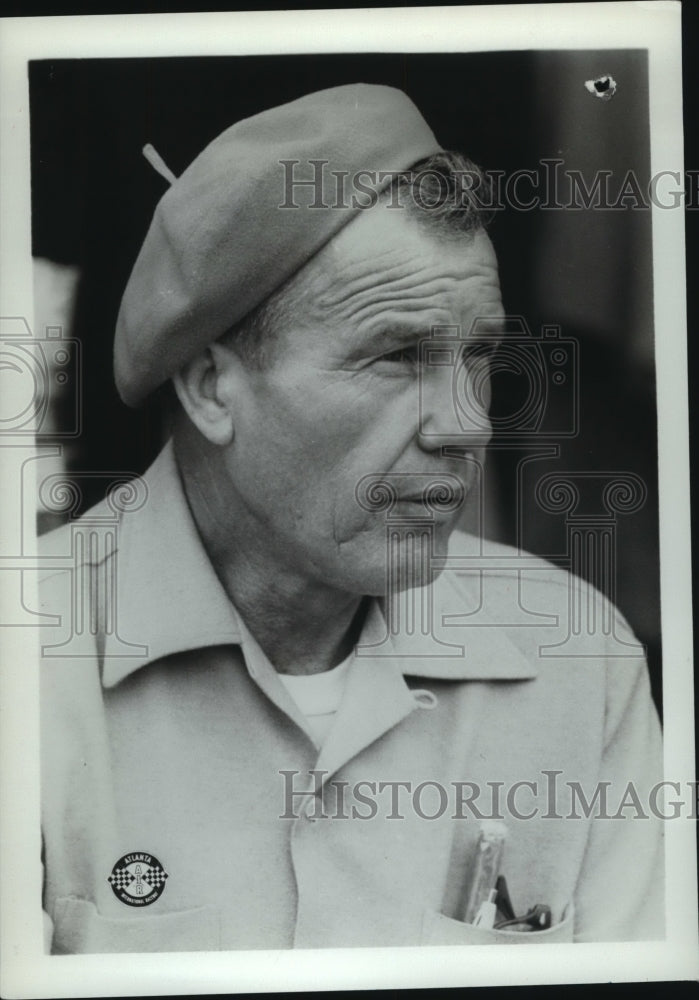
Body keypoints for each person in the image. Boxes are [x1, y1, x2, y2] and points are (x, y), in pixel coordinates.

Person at [39, 83, 664, 953]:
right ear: (212, 386)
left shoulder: (576, 657)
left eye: (477, 354)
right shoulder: (27, 673)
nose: (467, 424)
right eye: (397, 355)